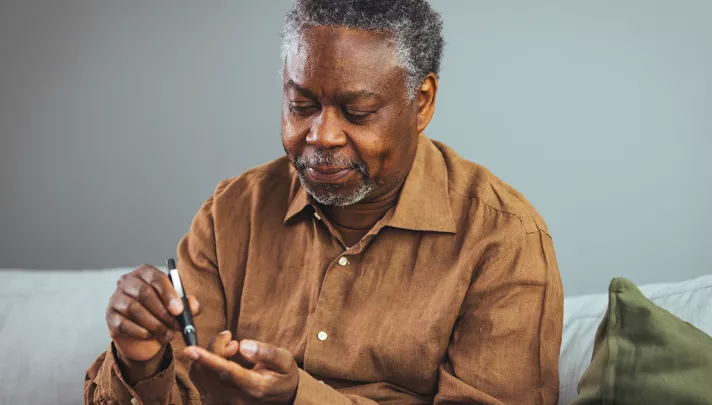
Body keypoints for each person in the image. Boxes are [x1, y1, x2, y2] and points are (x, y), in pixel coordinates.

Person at [85, 0, 563, 404]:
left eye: (357, 112)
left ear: (422, 101)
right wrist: (139, 357)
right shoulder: (233, 212)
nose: (321, 135)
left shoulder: (503, 240)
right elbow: (182, 388)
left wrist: (301, 398)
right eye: (301, 105)